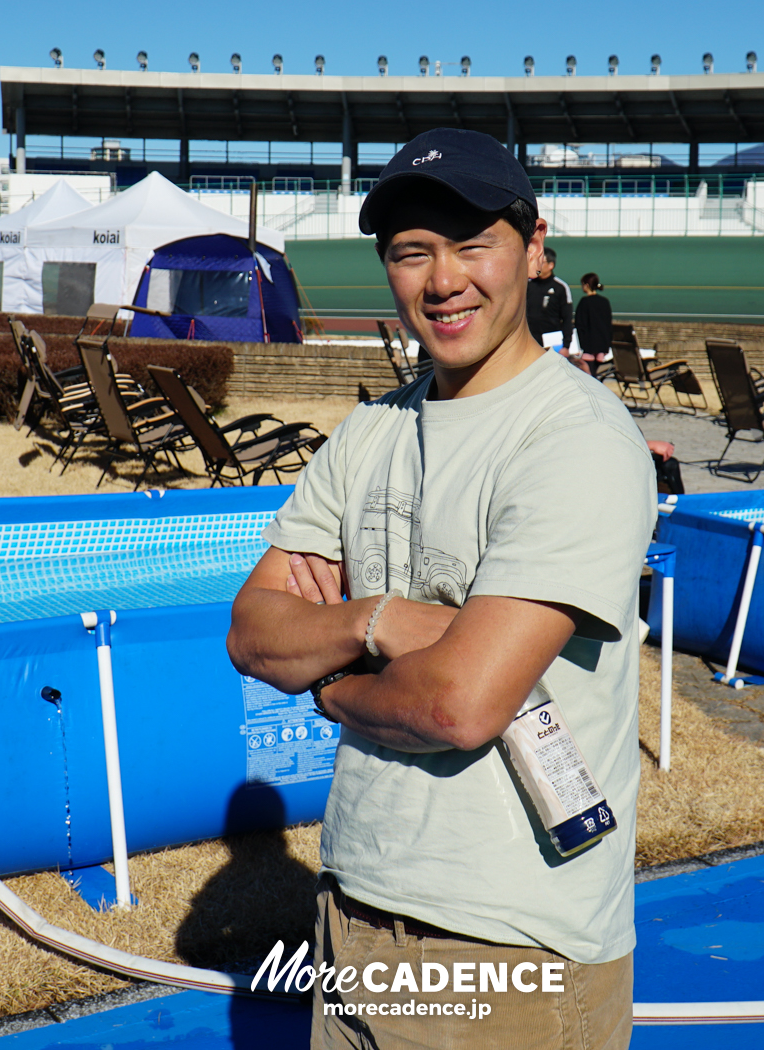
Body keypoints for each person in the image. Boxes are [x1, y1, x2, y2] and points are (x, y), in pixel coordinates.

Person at [229, 127, 654, 1049]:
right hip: (349, 912)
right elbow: (256, 633)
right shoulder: (370, 432)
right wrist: (380, 619)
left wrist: (333, 677)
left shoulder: (575, 439)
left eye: (472, 244)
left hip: (509, 945)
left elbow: (461, 703)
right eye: (412, 252)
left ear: (535, 246)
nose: (443, 279)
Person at [525, 245, 571, 353]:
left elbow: (567, 318)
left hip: (552, 343)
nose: (537, 266)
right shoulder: (528, 285)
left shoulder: (560, 287)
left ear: (551, 265)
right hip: (529, 341)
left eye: (541, 262)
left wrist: (566, 345)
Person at [573, 272, 613, 376]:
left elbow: (579, 323)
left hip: (588, 345)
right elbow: (608, 324)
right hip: (602, 345)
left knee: (588, 374)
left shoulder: (584, 302)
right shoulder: (605, 301)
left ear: (586, 285)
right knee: (596, 373)